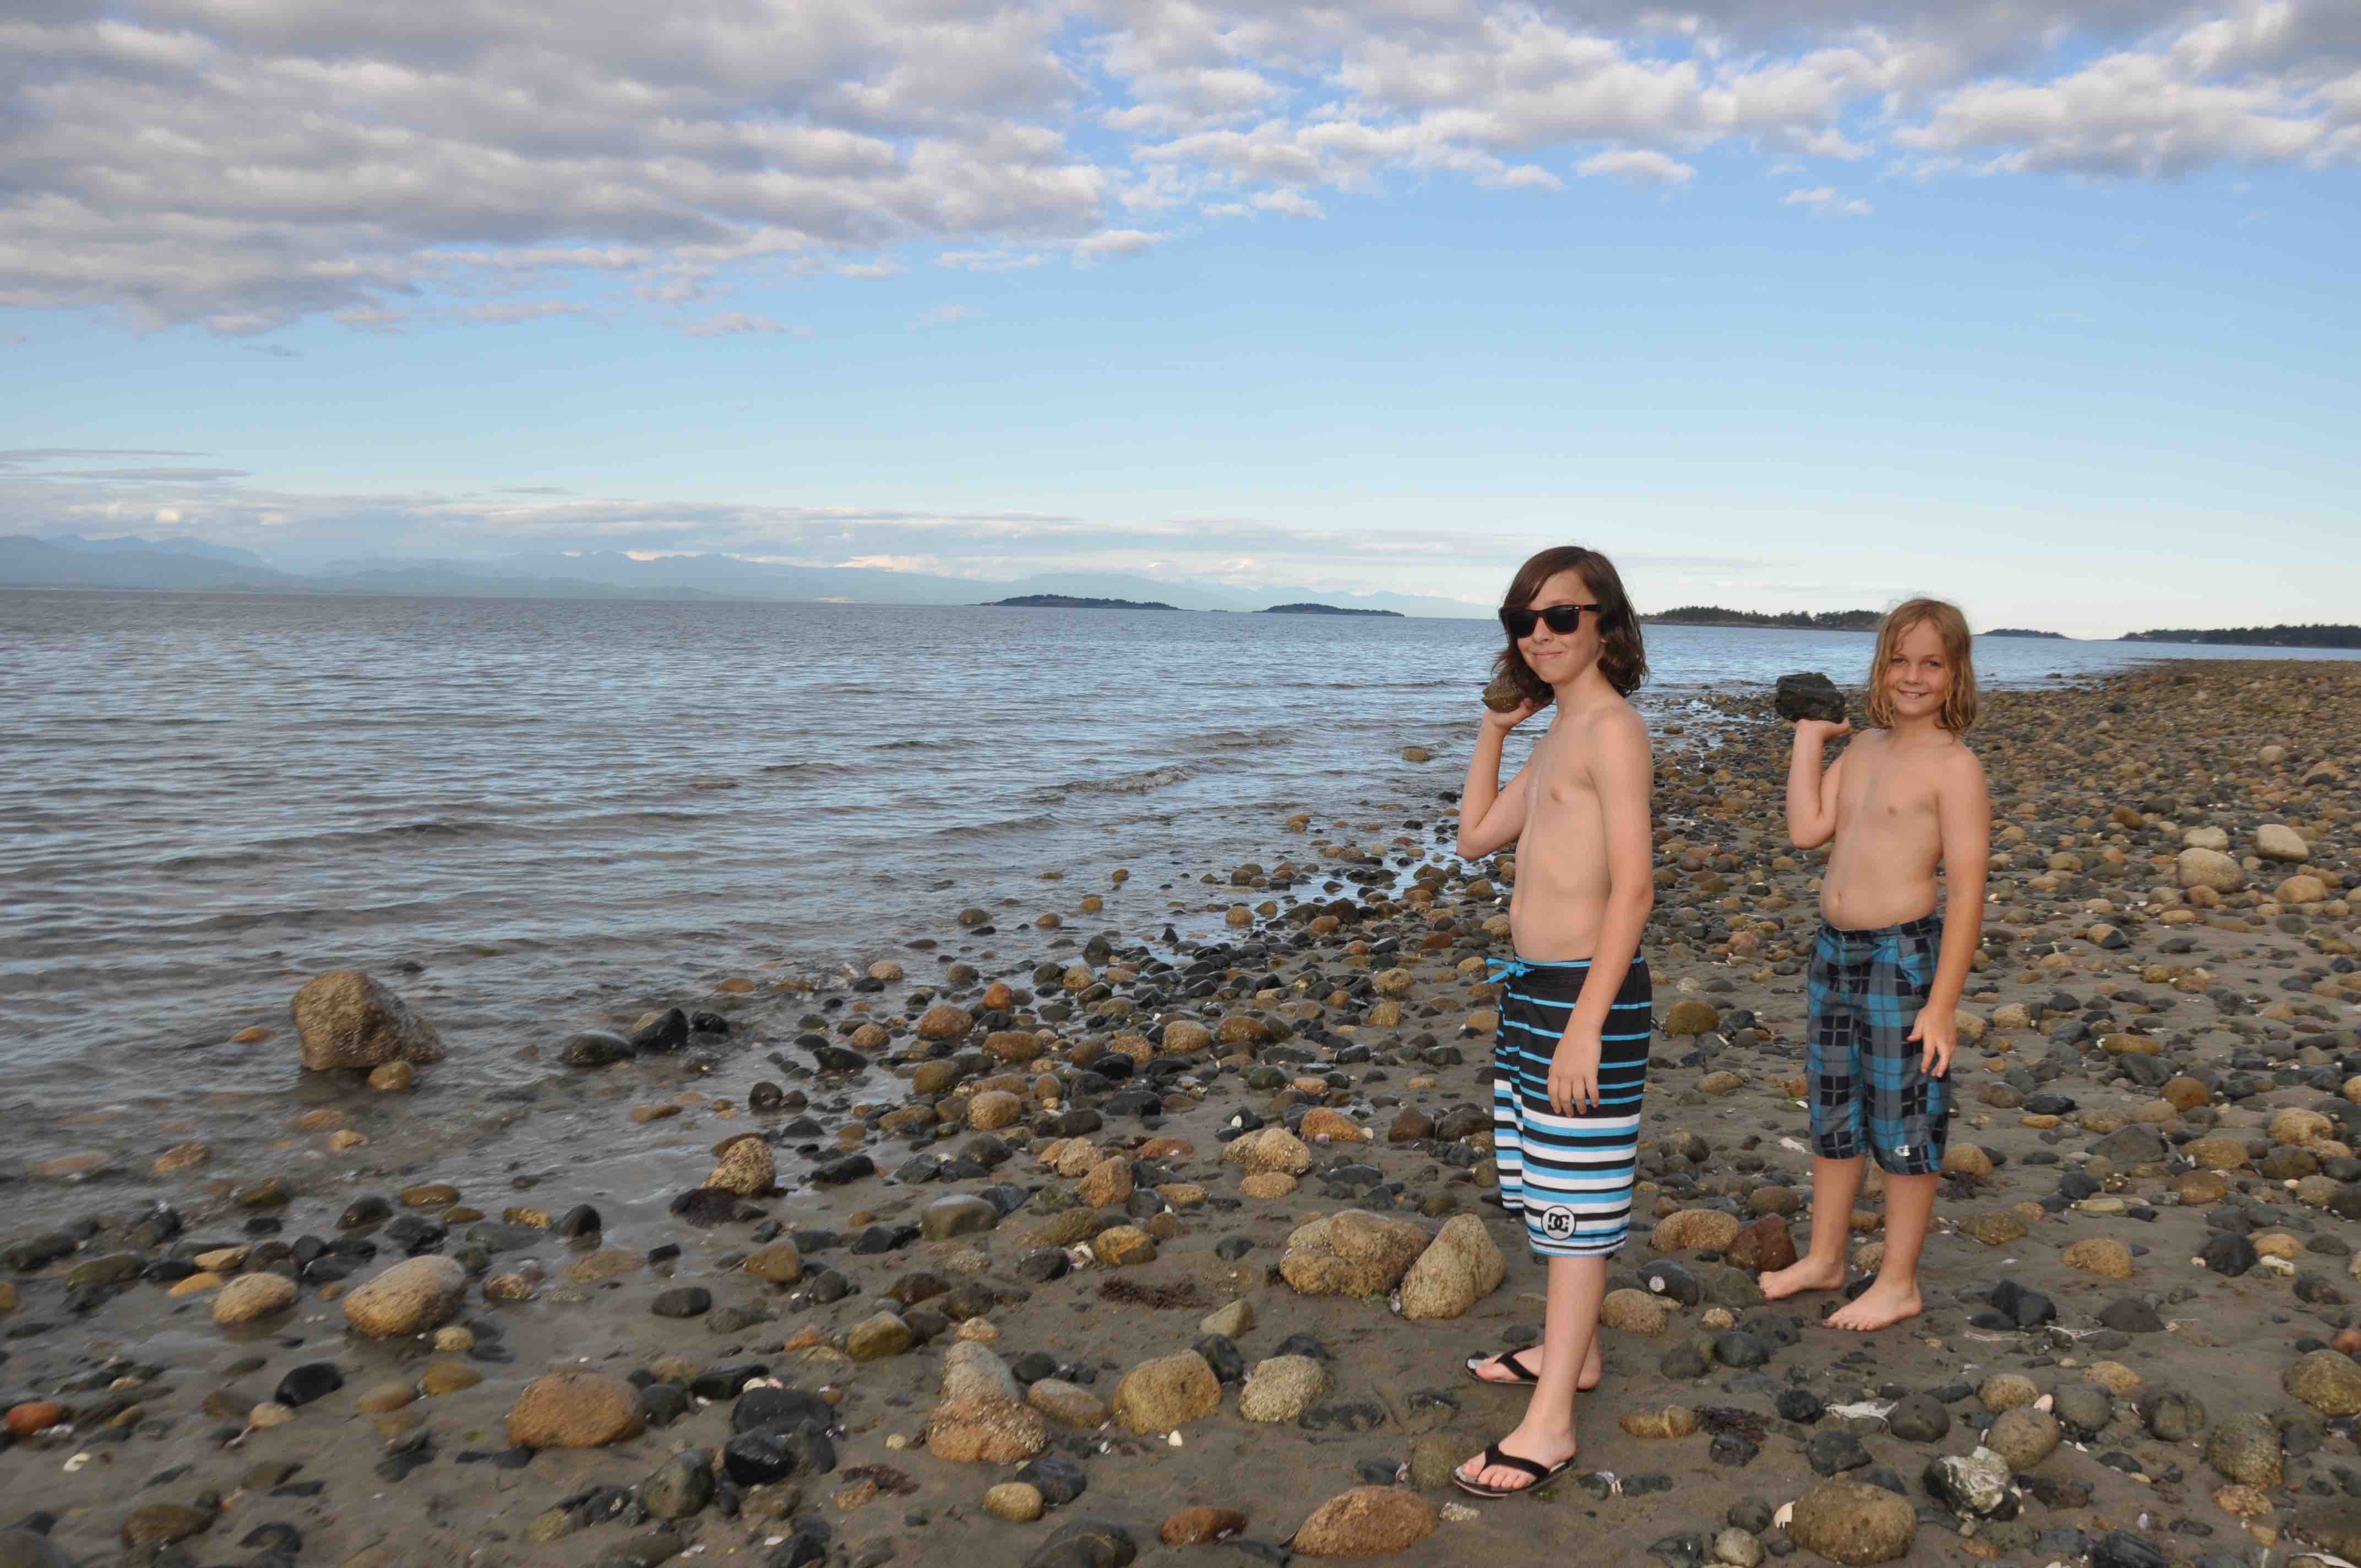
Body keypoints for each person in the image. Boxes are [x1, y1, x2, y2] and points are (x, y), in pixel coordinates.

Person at [1452, 545, 1654, 1499]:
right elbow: (1475, 838)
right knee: (1547, 1183)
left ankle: (1553, 1424)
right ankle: (1576, 1354)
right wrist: (1494, 732)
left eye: (1561, 616)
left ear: (1606, 626)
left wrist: (1587, 1025)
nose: (1540, 634)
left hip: (1585, 998)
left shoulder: (1612, 730)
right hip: (1533, 989)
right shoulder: (1560, 733)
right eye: (1523, 620)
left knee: (1577, 1203)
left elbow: (1635, 888)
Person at [1760, 597, 1991, 1331]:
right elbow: (1807, 829)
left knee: (1904, 1116)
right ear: (1882, 666)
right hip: (1834, 953)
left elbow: (1969, 892)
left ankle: (1898, 1281)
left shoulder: (1955, 769)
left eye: (1931, 664)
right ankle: (1826, 1258)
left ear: (1955, 674)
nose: (1913, 676)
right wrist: (1809, 739)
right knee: (1834, 1107)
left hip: (1903, 958)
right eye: (1900, 661)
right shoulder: (1862, 749)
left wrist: (1942, 1004)